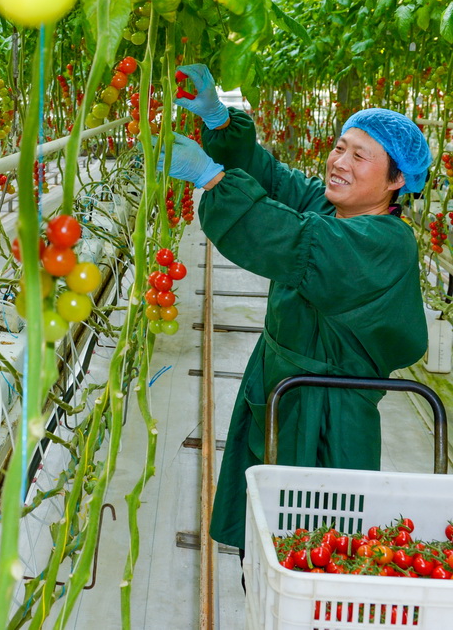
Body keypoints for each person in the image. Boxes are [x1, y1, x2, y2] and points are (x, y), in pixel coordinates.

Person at [159, 65, 431, 556]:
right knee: (268, 531)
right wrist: (222, 122)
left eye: (360, 155)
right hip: (283, 391)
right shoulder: (335, 208)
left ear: (396, 180)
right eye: (339, 147)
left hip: (327, 413)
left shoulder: (383, 244)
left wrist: (210, 176)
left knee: (312, 539)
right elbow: (275, 179)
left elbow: (290, 239)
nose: (339, 161)